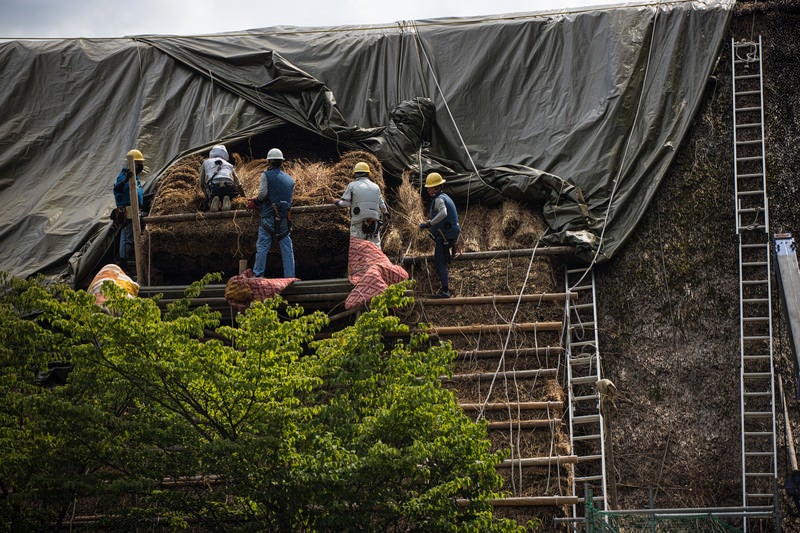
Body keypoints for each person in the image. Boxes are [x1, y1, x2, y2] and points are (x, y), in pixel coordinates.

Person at [252, 148, 296, 278]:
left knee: (262, 246)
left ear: (269, 161)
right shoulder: (290, 180)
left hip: (269, 217)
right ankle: (290, 276)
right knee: (287, 248)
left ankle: (258, 274)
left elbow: (263, 194)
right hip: (284, 218)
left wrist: (255, 202)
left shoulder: (265, 175)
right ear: (281, 162)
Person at [419, 172, 461, 298]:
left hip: (444, 236)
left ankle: (445, 290)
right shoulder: (445, 197)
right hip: (448, 235)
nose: (427, 189)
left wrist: (429, 224)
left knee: (439, 261)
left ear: (435, 188)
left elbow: (443, 213)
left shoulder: (439, 199)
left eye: (429, 187)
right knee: (441, 258)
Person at [334, 161, 389, 248]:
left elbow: (346, 203)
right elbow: (382, 206)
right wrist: (386, 213)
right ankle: (376, 261)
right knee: (375, 245)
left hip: (359, 218)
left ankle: (359, 261)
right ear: (368, 174)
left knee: (358, 244)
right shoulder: (376, 187)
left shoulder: (352, 185)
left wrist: (338, 202)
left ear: (356, 174)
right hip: (374, 219)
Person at [112, 149, 145, 264]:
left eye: (142, 164)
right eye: (139, 164)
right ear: (132, 164)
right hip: (127, 210)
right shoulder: (125, 175)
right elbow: (117, 189)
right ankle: (123, 259)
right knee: (127, 235)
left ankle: (130, 256)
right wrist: (126, 179)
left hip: (136, 210)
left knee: (133, 234)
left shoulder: (135, 178)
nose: (141, 166)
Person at [199, 144, 244, 211]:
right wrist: (244, 198)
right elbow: (238, 184)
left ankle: (214, 198)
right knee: (230, 191)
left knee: (213, 191)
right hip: (229, 187)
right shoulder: (229, 165)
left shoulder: (206, 162)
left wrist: (207, 196)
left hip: (214, 187)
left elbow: (202, 183)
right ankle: (227, 197)